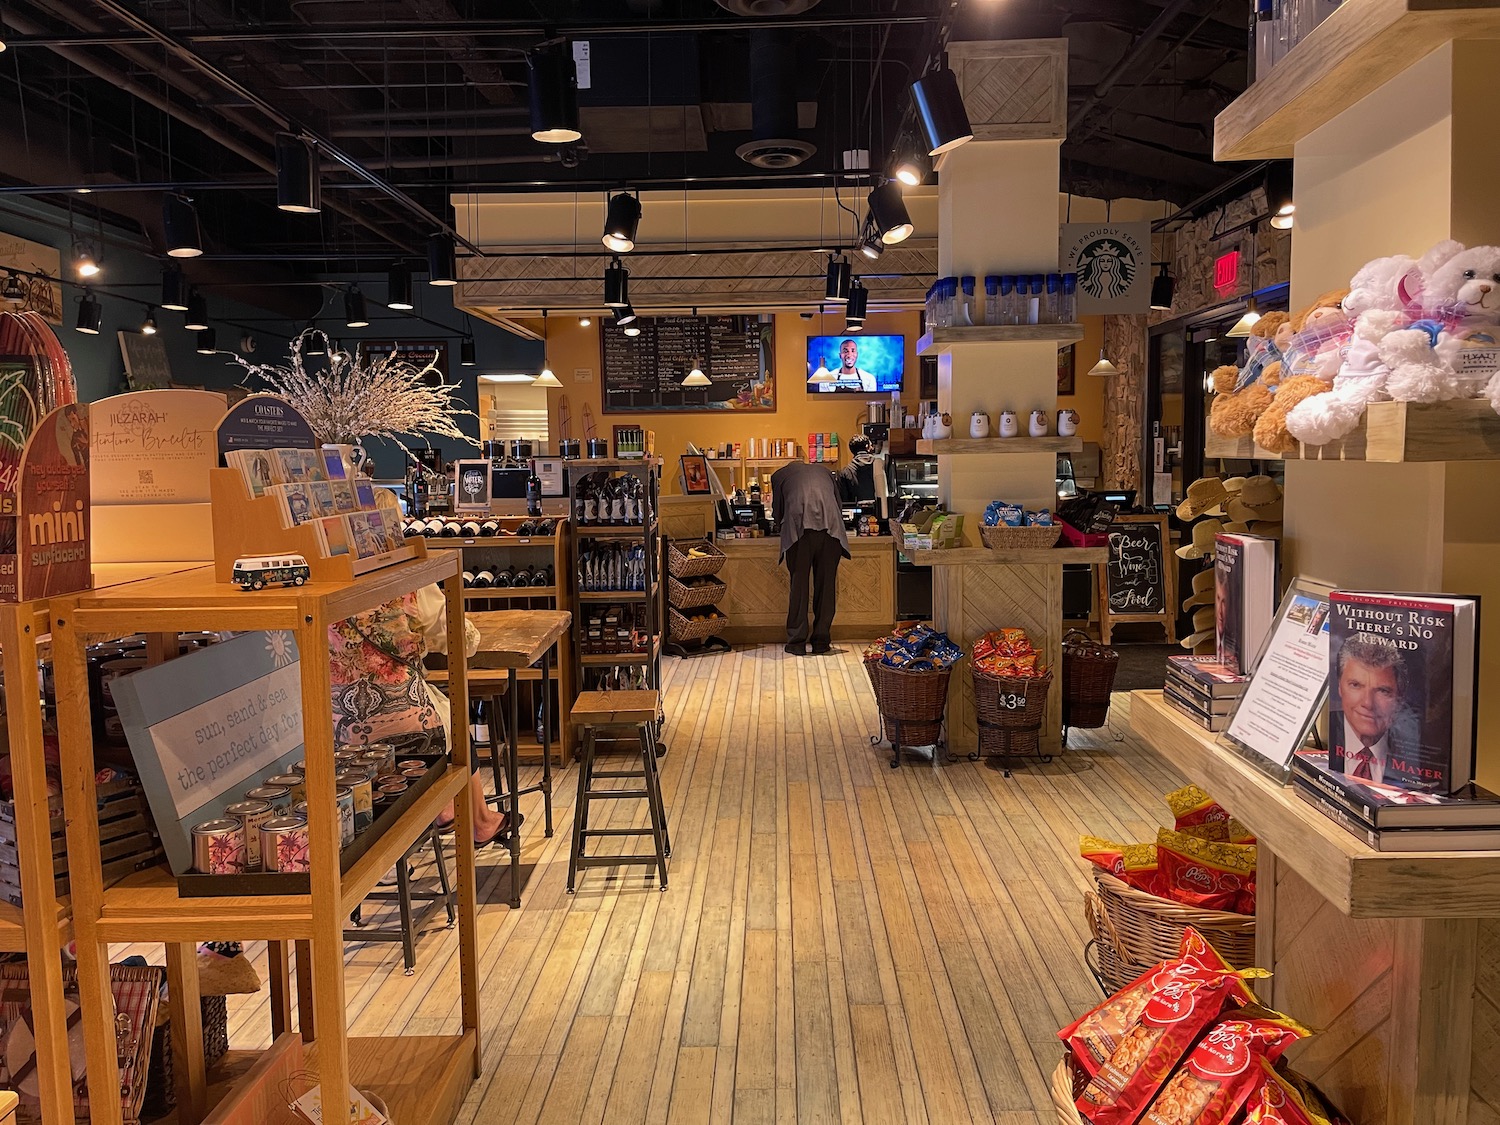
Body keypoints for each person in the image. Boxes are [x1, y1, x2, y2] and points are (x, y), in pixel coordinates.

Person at [330, 585, 511, 848]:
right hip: (413, 726)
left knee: (444, 715)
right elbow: (460, 637)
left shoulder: (319, 586)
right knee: (453, 721)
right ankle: (477, 820)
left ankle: (425, 823)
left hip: (341, 735)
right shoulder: (407, 577)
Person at [771, 455, 850, 655]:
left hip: (800, 531)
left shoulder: (779, 476)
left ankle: (796, 643)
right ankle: (821, 642)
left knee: (799, 586)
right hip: (831, 530)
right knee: (826, 587)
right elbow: (838, 505)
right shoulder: (825, 471)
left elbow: (777, 513)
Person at [1332, 633, 1409, 784]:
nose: (1368, 703)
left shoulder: (1416, 751)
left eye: (1382, 690)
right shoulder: (1324, 740)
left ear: (1399, 698)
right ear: (1339, 687)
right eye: (1356, 685)